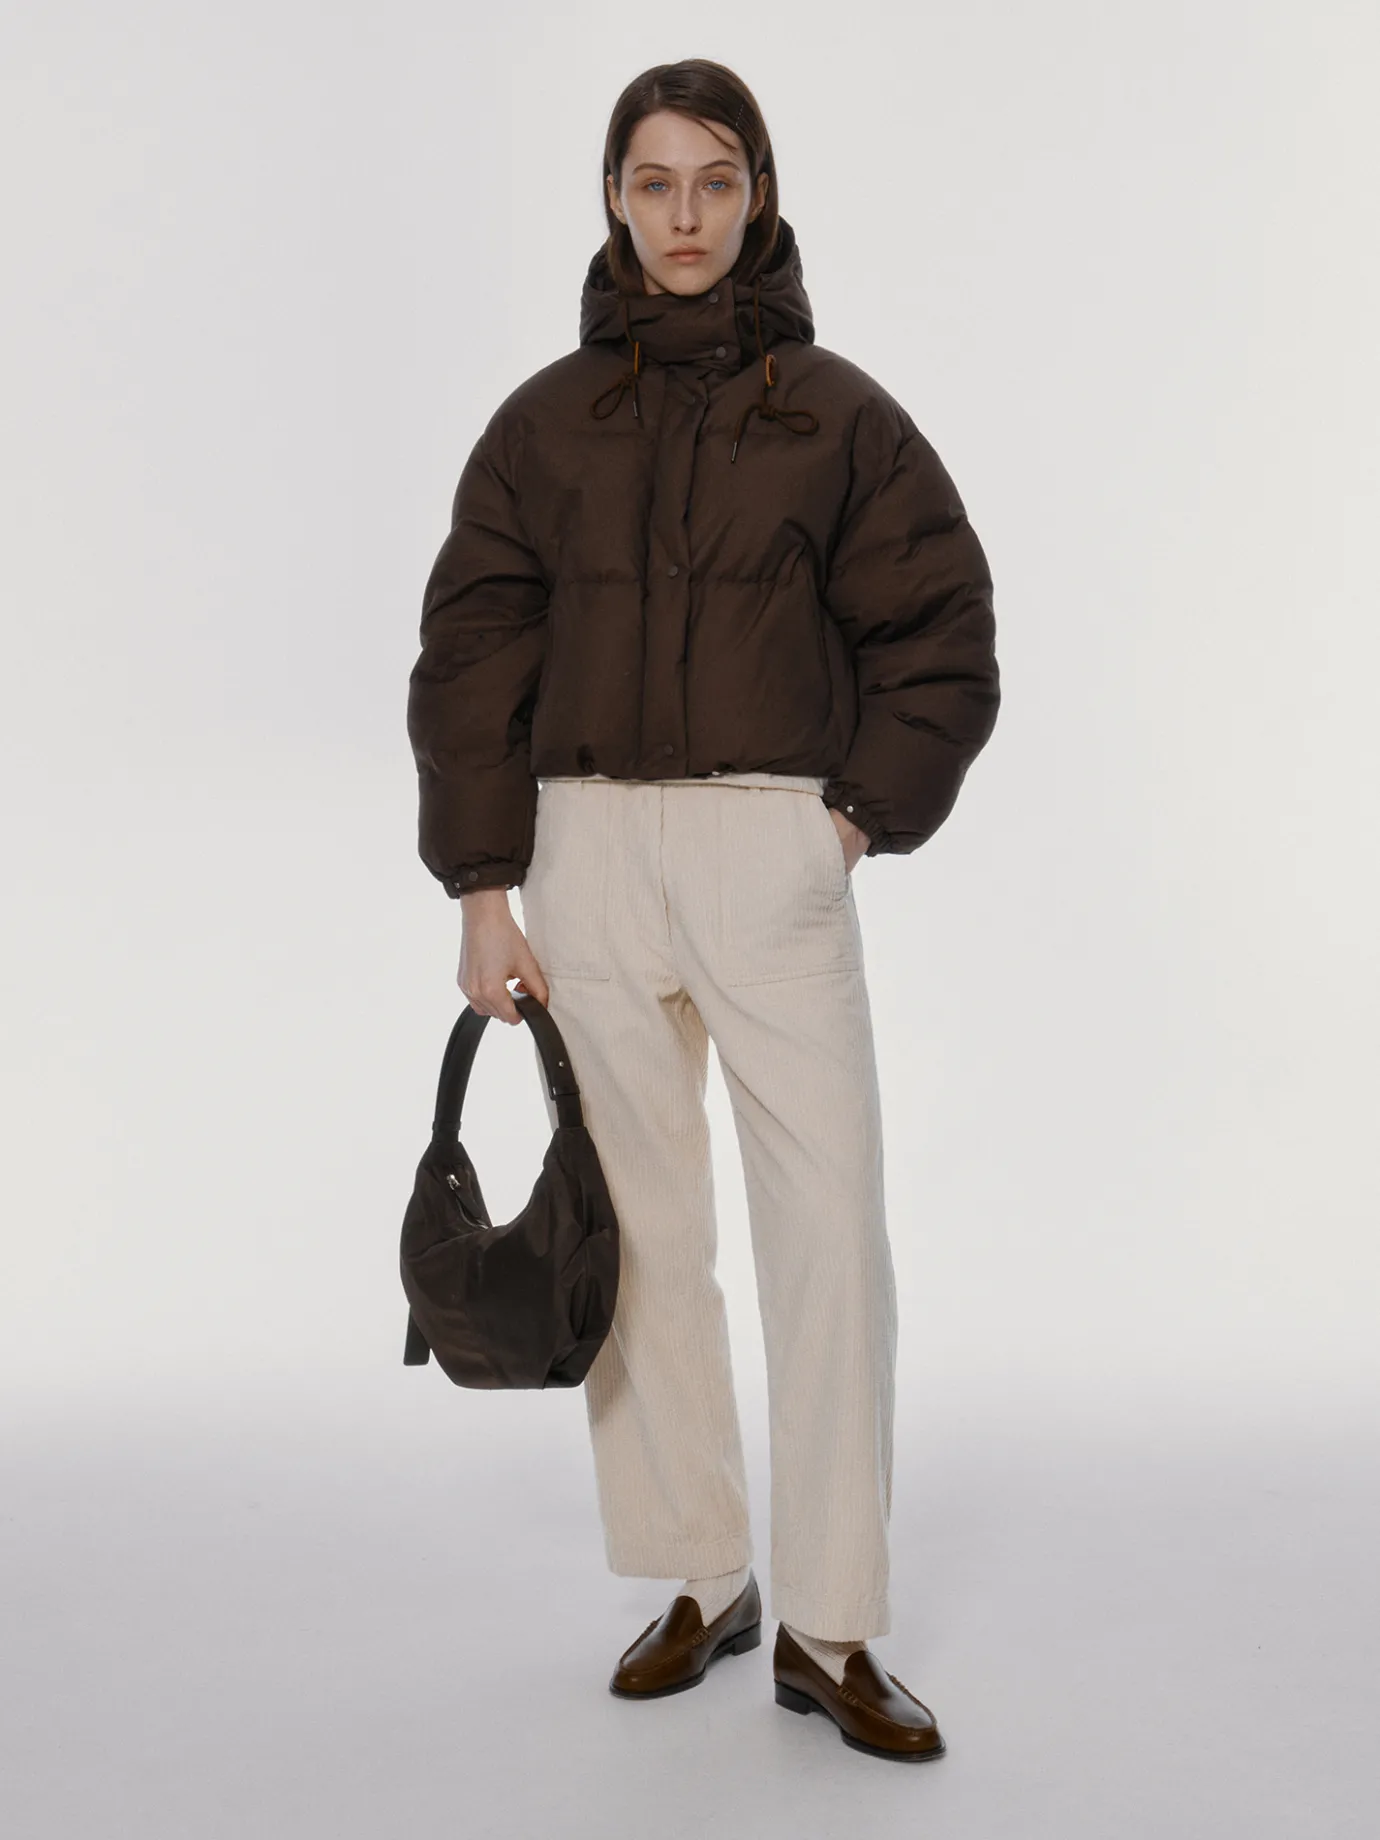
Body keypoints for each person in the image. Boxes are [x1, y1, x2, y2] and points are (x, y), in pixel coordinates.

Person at [406, 57, 1000, 1762]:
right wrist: (483, 888)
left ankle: (831, 1622)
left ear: (758, 194)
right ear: (613, 195)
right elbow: (472, 659)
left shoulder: (842, 417)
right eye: (654, 182)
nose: (684, 216)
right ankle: (699, 1574)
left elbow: (941, 630)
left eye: (715, 182)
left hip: (770, 855)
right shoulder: (542, 425)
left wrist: (850, 824)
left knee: (830, 1240)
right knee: (643, 1238)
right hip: (585, 858)